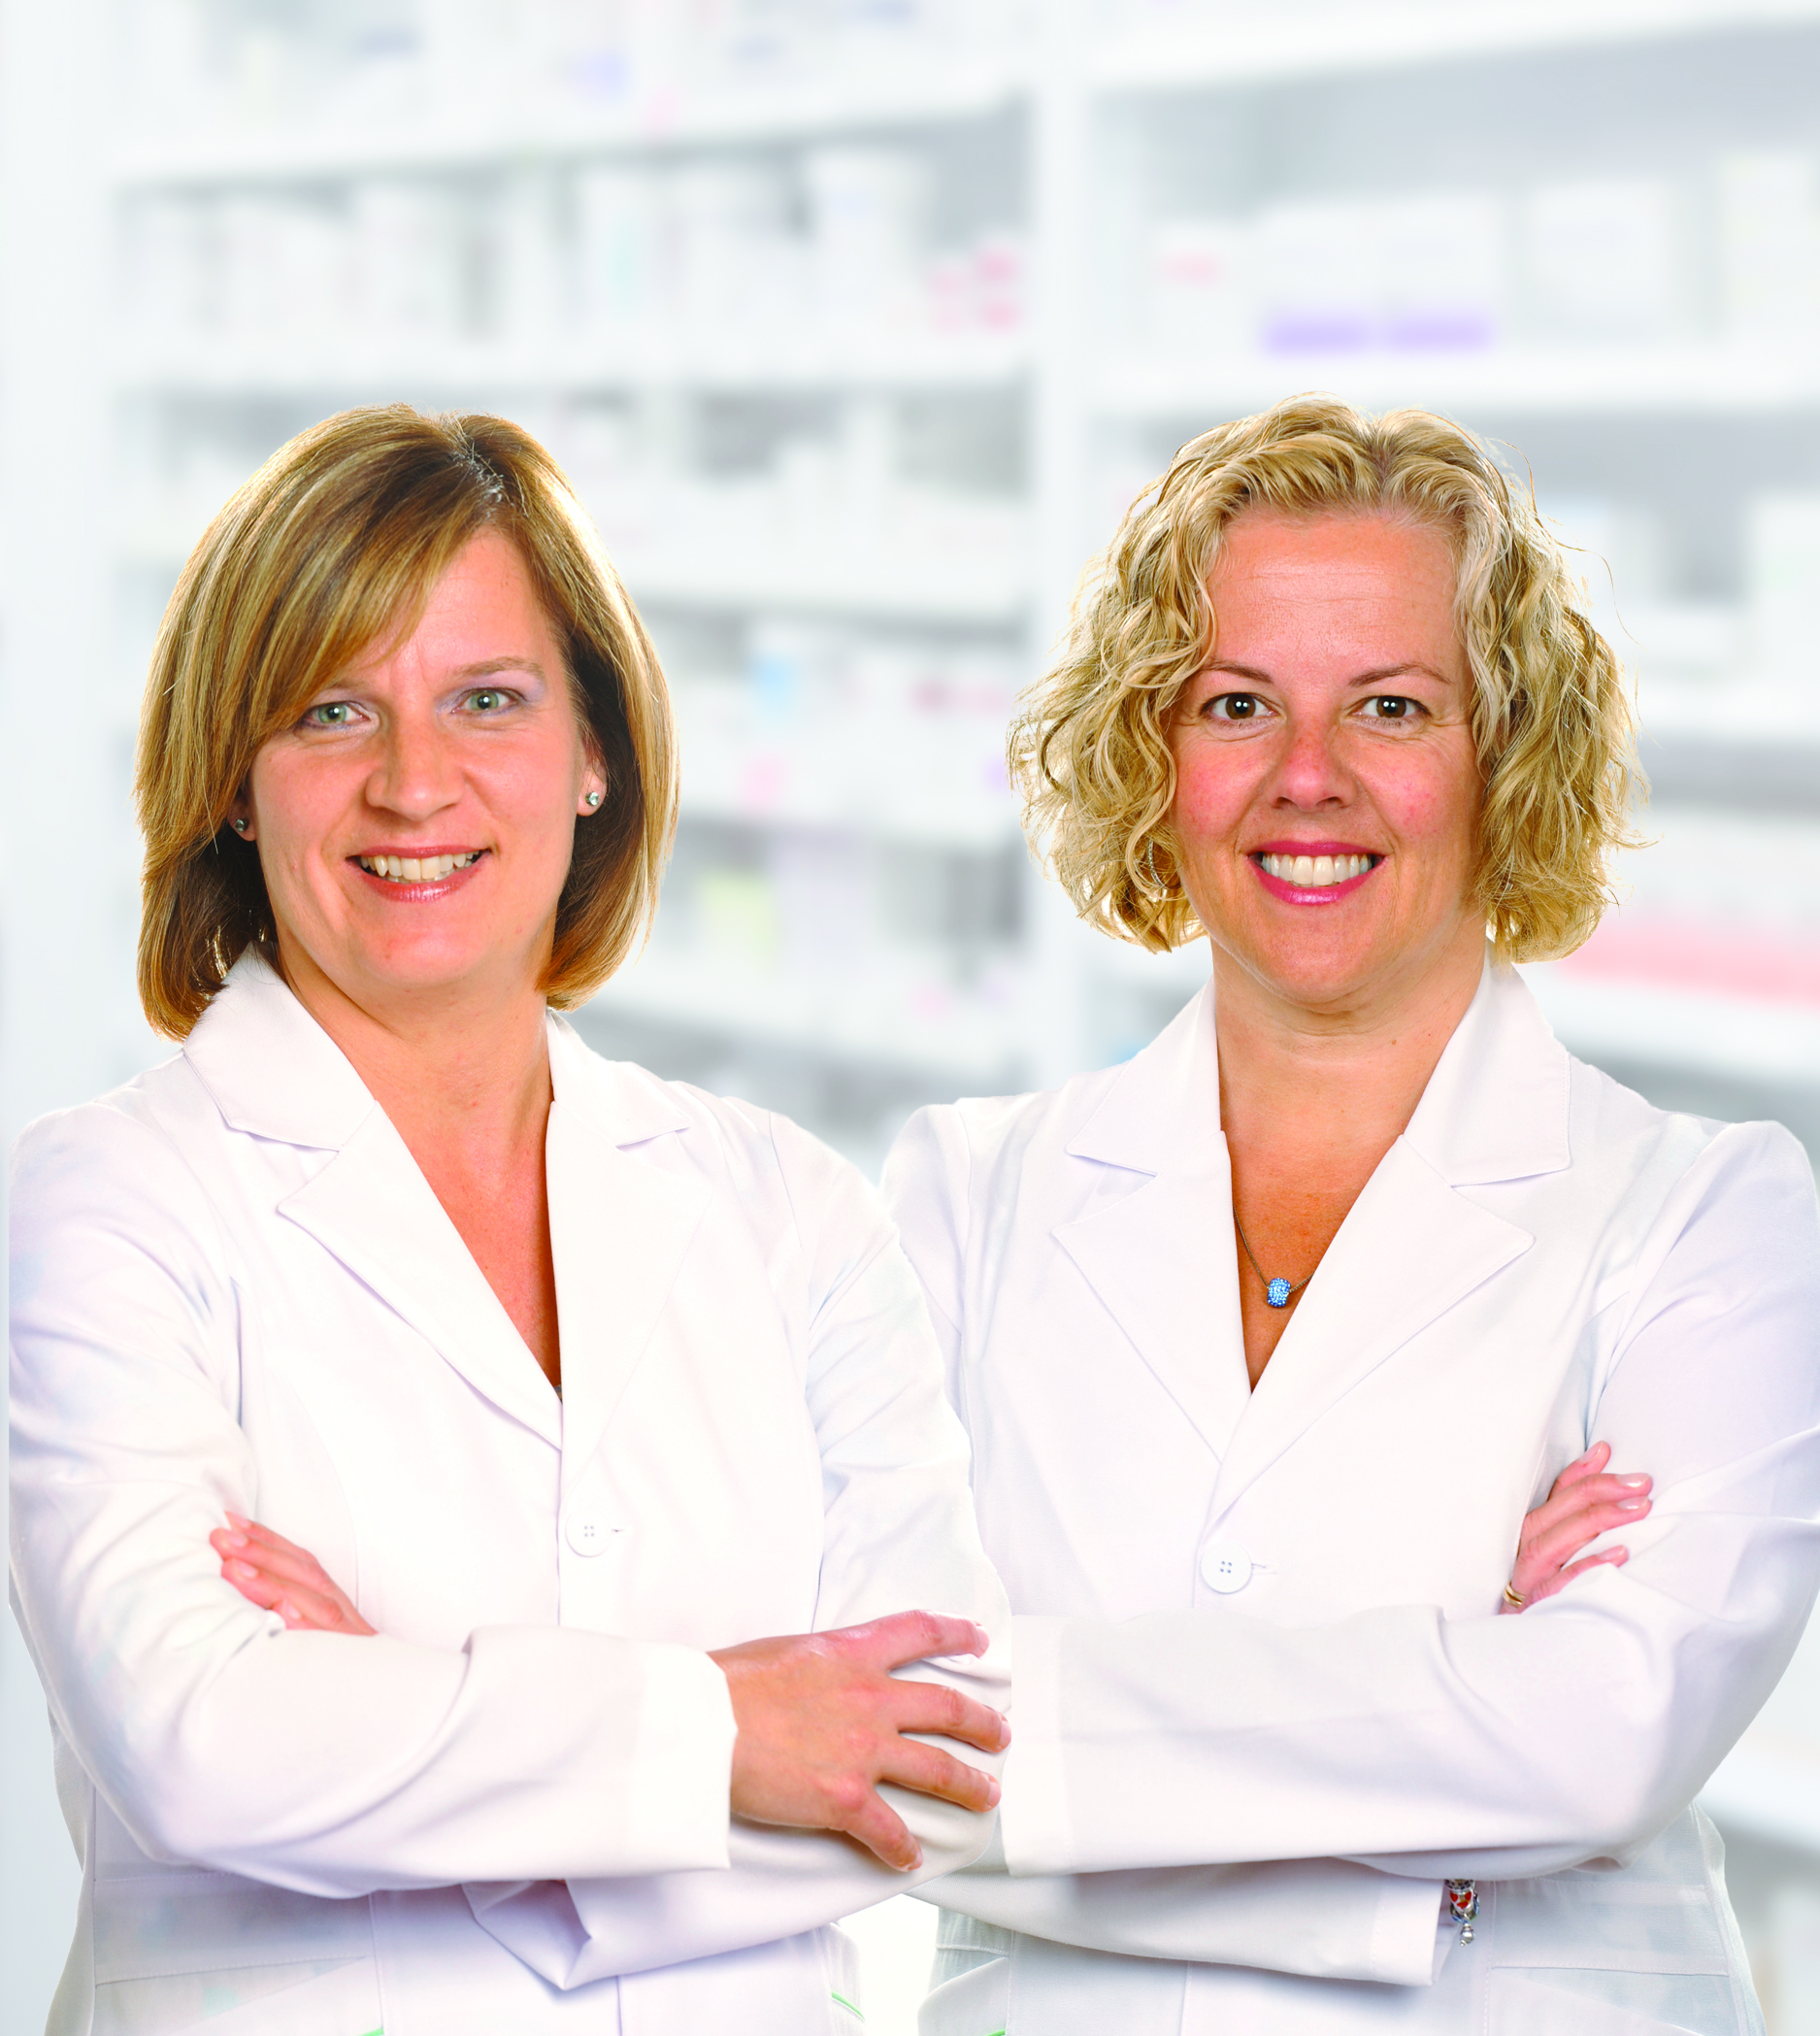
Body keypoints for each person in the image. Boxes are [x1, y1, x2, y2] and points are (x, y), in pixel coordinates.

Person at [7, 405, 1011, 2036]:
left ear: (594, 753)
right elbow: (202, 1743)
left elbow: (944, 1762)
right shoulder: (116, 1198)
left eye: (488, 698)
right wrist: (727, 1734)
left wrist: (402, 1722)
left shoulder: (787, 1211)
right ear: (237, 786)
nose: (415, 782)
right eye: (331, 710)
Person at [876, 397, 1820, 2034]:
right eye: (1235, 703)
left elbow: (1601, 1733)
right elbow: (832, 1747)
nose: (1306, 777)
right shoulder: (961, 1198)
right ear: (1152, 754)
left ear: (1502, 755)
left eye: (1391, 705)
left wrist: (1035, 1728)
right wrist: (1454, 1714)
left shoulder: (1705, 1217)